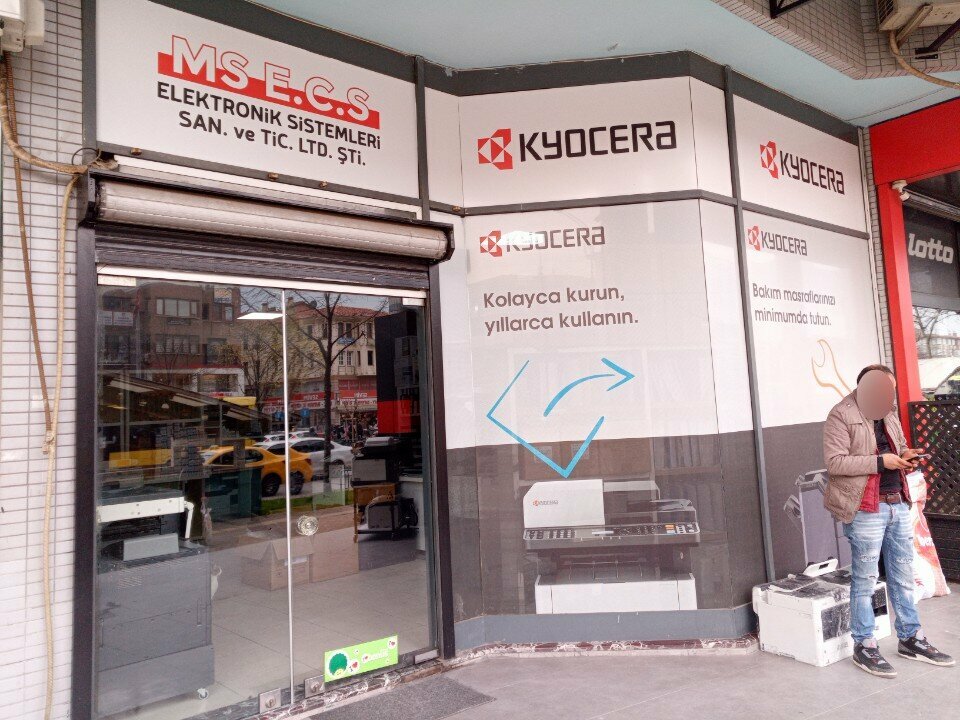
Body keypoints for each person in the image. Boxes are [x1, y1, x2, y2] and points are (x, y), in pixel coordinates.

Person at [823, 364, 955, 677]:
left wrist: (907, 455)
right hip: (866, 507)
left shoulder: (889, 412)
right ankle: (864, 645)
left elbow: (898, 447)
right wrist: (881, 462)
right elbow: (835, 462)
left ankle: (911, 638)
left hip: (898, 502)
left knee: (903, 576)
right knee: (866, 579)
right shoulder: (840, 414)